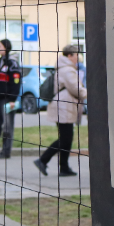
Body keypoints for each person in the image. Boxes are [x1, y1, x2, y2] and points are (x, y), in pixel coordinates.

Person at [34, 45, 87, 177]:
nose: (78, 59)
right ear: (69, 56)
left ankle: (64, 167)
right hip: (64, 107)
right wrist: (89, 92)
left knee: (66, 138)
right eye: (76, 55)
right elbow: (76, 89)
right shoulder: (68, 70)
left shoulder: (63, 68)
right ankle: (43, 160)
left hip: (63, 106)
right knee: (65, 139)